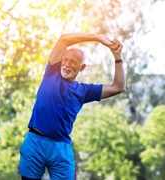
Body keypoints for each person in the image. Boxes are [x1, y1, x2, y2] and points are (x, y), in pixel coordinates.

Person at [18, 33, 125, 180]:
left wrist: (117, 57)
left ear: (82, 67)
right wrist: (98, 38)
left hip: (61, 148)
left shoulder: (84, 90)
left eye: (73, 62)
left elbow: (118, 87)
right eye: (65, 60)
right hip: (35, 142)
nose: (67, 64)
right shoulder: (51, 73)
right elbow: (63, 39)